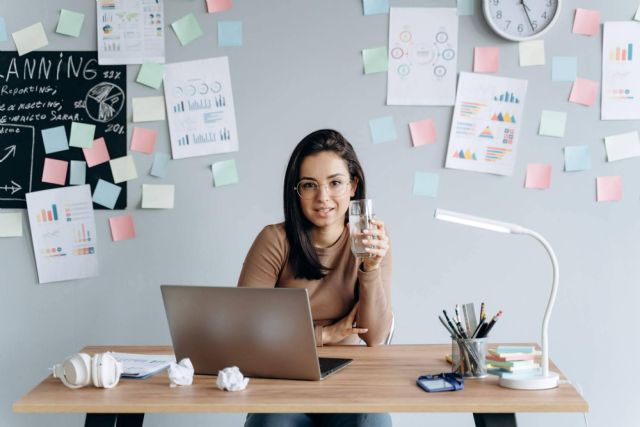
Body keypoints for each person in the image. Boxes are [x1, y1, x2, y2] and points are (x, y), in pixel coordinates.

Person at [238, 129, 393, 427]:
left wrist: (370, 269)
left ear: (353, 185)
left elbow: (374, 337)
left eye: (335, 183)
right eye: (310, 185)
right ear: (296, 191)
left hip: (348, 382)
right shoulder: (274, 241)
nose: (323, 198)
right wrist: (326, 335)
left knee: (373, 421)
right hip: (283, 381)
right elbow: (245, 334)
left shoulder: (372, 241)